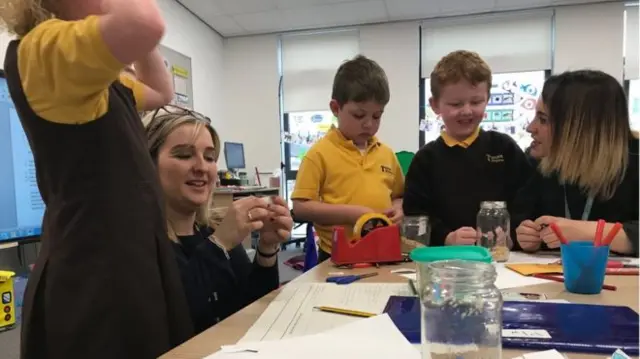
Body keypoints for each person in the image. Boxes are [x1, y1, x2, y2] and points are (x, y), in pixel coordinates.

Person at [0, 0, 195, 358]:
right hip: (94, 274)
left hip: (128, 259)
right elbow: (143, 21)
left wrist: (137, 44)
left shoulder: (95, 79)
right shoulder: (46, 50)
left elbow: (161, 91)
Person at [143, 107, 292, 334]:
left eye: (210, 157)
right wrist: (218, 245)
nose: (202, 167)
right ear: (147, 163)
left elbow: (251, 308)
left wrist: (267, 250)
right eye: (184, 155)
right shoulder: (137, 244)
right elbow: (170, 322)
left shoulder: (210, 229)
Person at [403, 50, 532, 247]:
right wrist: (446, 237)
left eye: (476, 101)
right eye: (456, 104)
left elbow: (526, 199)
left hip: (502, 255)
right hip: (446, 258)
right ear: (435, 105)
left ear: (487, 98)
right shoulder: (426, 160)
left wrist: (513, 233)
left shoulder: (505, 148)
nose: (467, 111)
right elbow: (416, 214)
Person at [292, 55, 405, 262]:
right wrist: (353, 213)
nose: (369, 124)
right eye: (359, 115)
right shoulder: (318, 154)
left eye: (377, 116)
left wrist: (399, 208)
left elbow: (399, 195)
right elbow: (301, 207)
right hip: (337, 255)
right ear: (336, 108)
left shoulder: (387, 154)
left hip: (382, 249)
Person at [513, 70, 639, 256]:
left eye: (543, 119)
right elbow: (519, 222)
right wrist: (526, 237)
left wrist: (584, 232)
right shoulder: (540, 165)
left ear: (580, 128)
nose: (530, 128)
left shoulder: (634, 162)